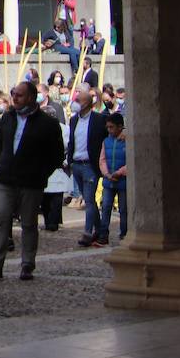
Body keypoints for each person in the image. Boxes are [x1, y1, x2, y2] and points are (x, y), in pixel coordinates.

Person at [0, 81, 65, 281]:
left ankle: (27, 264)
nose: (15, 98)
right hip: (6, 178)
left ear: (31, 97)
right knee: (0, 219)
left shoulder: (47, 123)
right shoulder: (7, 118)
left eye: (19, 95)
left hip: (31, 181)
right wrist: (4, 165)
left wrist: (41, 173)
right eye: (13, 94)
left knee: (28, 223)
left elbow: (56, 154)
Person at [67, 89, 108, 247]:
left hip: (90, 165)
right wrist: (70, 159)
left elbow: (110, 132)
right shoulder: (73, 120)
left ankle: (87, 232)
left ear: (86, 104)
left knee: (89, 200)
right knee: (88, 200)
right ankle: (100, 231)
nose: (75, 103)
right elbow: (72, 140)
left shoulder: (99, 119)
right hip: (76, 164)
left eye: (78, 100)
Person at [98, 112, 128, 244]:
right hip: (109, 180)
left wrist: (120, 172)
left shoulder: (127, 140)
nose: (109, 130)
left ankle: (125, 233)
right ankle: (103, 234)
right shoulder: (106, 141)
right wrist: (107, 174)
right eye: (108, 127)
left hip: (123, 181)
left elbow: (131, 161)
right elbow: (102, 159)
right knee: (106, 208)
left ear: (120, 126)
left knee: (124, 209)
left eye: (112, 127)